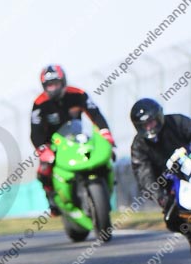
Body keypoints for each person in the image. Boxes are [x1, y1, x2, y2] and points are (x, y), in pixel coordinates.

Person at [31, 65, 115, 215]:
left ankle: (107, 182)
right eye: (49, 85)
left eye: (55, 83)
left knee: (107, 152)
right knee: (43, 170)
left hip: (77, 136)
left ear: (63, 82)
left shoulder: (78, 94)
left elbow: (95, 115)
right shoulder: (39, 103)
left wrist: (105, 133)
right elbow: (35, 131)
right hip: (54, 143)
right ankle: (51, 198)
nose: (53, 88)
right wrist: (43, 149)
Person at [130, 98, 191, 243]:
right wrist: (160, 197)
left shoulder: (178, 122)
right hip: (170, 185)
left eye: (151, 122)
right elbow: (144, 175)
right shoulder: (139, 146)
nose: (149, 127)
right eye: (144, 125)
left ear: (159, 117)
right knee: (171, 218)